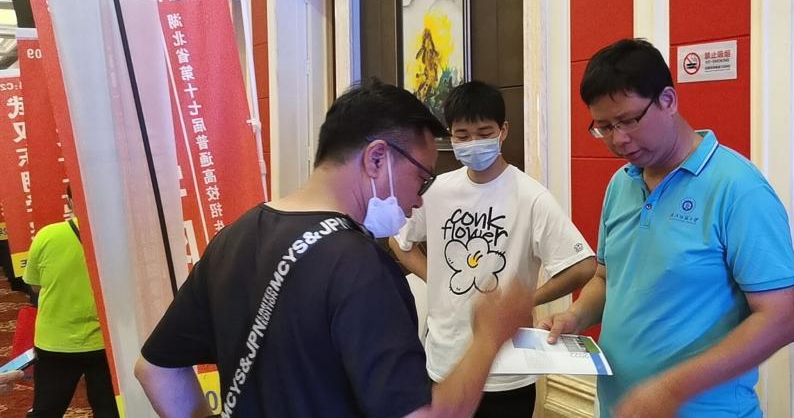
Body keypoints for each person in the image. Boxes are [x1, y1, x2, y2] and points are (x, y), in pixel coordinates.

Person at [135, 80, 533, 418]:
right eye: (421, 178)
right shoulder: (362, 267)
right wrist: (489, 338)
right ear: (377, 158)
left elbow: (155, 370)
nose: (418, 199)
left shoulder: (233, 237)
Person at [539, 39, 794, 418]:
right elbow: (607, 278)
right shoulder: (621, 183)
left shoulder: (739, 189)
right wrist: (575, 317)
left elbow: (781, 319)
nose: (618, 139)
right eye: (604, 127)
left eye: (629, 121)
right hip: (620, 407)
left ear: (668, 100)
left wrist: (672, 389)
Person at [390, 81, 596, 417]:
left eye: (483, 133)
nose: (473, 142)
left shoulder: (531, 196)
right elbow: (400, 242)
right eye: (462, 135)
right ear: (451, 136)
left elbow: (583, 265)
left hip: (508, 370)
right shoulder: (437, 190)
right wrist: (435, 278)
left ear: (503, 131)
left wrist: (529, 299)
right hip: (444, 360)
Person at [23, 205, 118, 418]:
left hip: (55, 341)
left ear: (70, 201)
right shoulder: (120, 236)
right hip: (107, 343)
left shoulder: (47, 235)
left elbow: (34, 285)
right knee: (110, 410)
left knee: (46, 410)